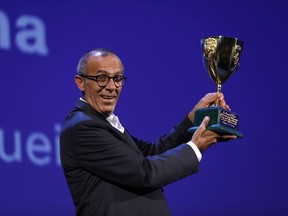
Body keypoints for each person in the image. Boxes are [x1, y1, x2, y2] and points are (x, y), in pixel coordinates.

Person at [60, 48, 236, 216]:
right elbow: (144, 173)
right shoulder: (83, 127)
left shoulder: (101, 122)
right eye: (102, 78)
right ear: (80, 82)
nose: (112, 86)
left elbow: (152, 153)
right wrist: (194, 148)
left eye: (118, 78)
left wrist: (193, 119)